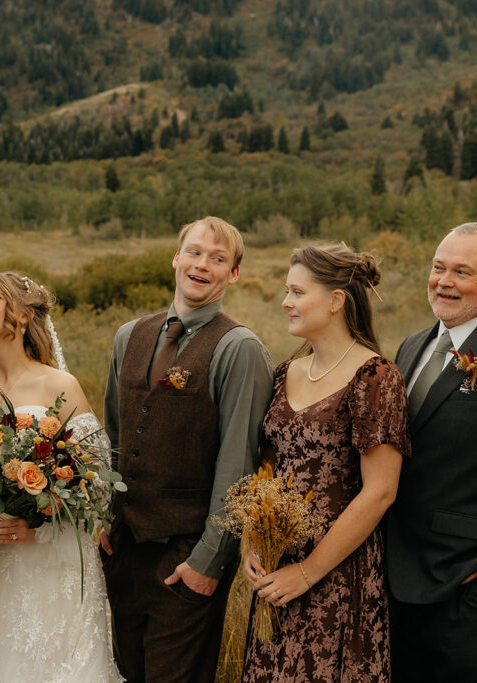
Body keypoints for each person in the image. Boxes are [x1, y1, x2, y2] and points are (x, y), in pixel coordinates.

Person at [0, 272, 123, 682]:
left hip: (45, 562)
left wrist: (43, 525)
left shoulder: (59, 385)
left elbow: (98, 482)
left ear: (26, 315)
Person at [102, 216, 274, 683]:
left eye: (218, 259)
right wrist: (104, 518)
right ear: (176, 258)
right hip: (123, 551)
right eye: (195, 252)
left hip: (186, 559)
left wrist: (208, 561)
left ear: (233, 274)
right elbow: (113, 438)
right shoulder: (129, 335)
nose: (203, 265)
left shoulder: (240, 349)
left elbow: (238, 465)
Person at [240, 244, 409, 682]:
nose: (285, 302)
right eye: (286, 291)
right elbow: (267, 470)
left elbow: (381, 491)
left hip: (337, 575)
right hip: (277, 572)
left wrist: (307, 573)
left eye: (297, 292)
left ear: (336, 301)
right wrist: (255, 543)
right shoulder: (285, 373)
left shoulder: (375, 377)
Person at [386, 222, 477, 683]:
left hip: (471, 589)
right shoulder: (412, 346)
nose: (444, 281)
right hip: (395, 582)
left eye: (462, 272)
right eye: (438, 268)